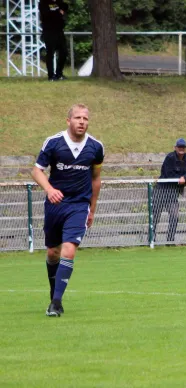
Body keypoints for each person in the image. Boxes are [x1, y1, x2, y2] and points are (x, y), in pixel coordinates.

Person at [31, 104, 104, 317]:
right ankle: (54, 294)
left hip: (79, 205)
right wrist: (50, 189)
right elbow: (37, 171)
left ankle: (56, 302)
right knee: (53, 252)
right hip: (55, 205)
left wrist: (92, 209)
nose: (82, 122)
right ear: (68, 121)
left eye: (86, 118)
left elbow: (96, 178)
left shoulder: (96, 147)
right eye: (78, 118)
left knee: (69, 249)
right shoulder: (53, 143)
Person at [152, 139, 186, 243]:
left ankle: (170, 240)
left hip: (173, 193)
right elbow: (168, 174)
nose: (181, 149)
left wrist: (184, 177)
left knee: (174, 216)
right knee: (155, 217)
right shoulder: (170, 158)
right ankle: (151, 239)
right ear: (175, 148)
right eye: (179, 147)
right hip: (161, 191)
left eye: (183, 147)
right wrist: (179, 179)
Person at [39, 0, 69, 81]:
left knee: (64, 52)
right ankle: (51, 75)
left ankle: (59, 73)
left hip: (59, 31)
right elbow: (47, 15)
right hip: (48, 31)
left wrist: (57, 12)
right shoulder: (44, 3)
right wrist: (58, 12)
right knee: (50, 53)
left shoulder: (59, 2)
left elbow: (65, 7)